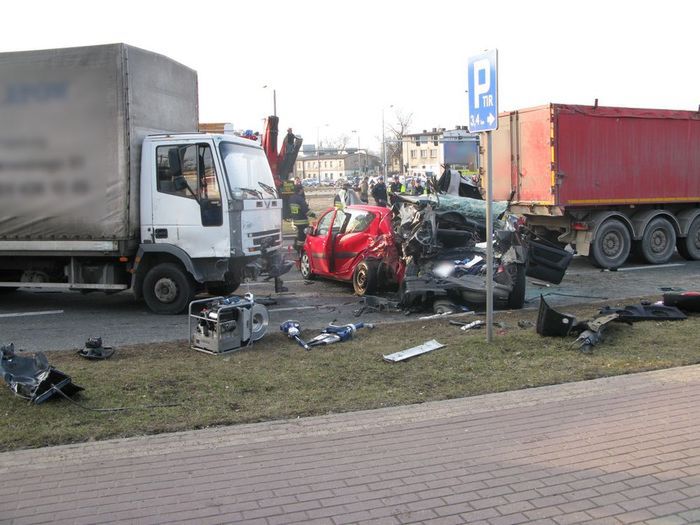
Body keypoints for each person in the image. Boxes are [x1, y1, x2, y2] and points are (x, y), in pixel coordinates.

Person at [289, 183, 312, 252]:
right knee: (302, 236)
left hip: (295, 219)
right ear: (300, 190)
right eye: (302, 189)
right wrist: (313, 215)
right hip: (302, 221)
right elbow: (306, 211)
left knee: (300, 234)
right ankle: (299, 248)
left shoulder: (291, 198)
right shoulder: (300, 199)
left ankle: (296, 245)